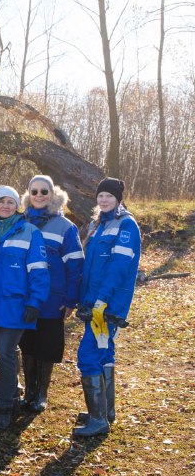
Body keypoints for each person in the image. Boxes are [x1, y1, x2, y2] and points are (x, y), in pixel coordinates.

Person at [73, 177, 140, 437]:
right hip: (93, 301)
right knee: (104, 351)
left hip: (108, 304)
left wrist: (101, 301)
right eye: (100, 195)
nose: (104, 200)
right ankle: (103, 411)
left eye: (109, 196)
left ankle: (98, 420)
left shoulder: (126, 225)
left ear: (118, 199)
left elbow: (118, 269)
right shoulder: (98, 224)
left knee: (88, 355)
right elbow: (89, 266)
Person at [0, 186, 50, 429]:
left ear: (17, 205)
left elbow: (40, 270)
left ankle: (4, 409)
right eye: (1, 201)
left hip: (17, 305)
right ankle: (11, 400)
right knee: (2, 354)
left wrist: (35, 301)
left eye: (10, 201)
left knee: (5, 352)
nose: (5, 206)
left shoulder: (30, 232)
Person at [19, 175, 83, 413]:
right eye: (34, 191)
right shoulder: (20, 222)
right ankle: (28, 391)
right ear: (28, 195)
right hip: (25, 297)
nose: (39, 196)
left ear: (52, 194)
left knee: (46, 348)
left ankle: (42, 394)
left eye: (43, 191)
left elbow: (75, 266)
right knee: (27, 346)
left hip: (53, 299)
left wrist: (70, 300)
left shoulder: (65, 227)